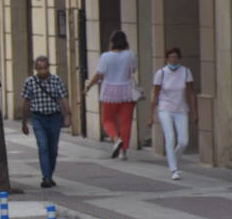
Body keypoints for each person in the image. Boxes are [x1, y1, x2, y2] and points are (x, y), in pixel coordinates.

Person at [83, 29, 139, 159]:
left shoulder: (105, 56)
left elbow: (99, 74)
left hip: (109, 91)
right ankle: (123, 152)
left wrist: (89, 86)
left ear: (112, 42)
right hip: (127, 91)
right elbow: (133, 70)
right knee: (126, 122)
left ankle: (116, 139)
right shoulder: (131, 55)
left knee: (107, 120)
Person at [19, 55, 71, 188]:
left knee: (53, 149)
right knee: (43, 147)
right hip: (38, 118)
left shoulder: (56, 80)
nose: (43, 71)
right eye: (40, 68)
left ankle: (49, 174)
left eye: (45, 67)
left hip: (54, 117)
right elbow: (26, 102)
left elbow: (63, 97)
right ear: (36, 69)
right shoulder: (30, 82)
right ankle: (46, 178)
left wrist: (67, 114)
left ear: (49, 67)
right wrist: (24, 122)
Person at [148, 46, 197, 181]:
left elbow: (191, 93)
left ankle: (173, 159)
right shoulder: (161, 73)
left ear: (179, 58)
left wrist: (195, 112)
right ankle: (174, 169)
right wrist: (150, 115)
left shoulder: (186, 72)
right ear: (166, 59)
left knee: (183, 141)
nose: (173, 59)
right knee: (170, 137)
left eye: (175, 57)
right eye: (170, 57)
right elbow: (155, 94)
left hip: (181, 109)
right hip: (165, 108)